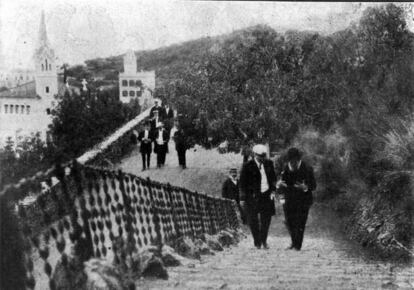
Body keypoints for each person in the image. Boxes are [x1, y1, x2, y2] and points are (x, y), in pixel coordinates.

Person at [276, 147, 316, 251]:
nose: (292, 163)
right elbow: (282, 183)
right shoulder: (286, 168)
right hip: (289, 200)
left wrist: (305, 187)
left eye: (294, 161)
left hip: (303, 200)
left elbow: (314, 185)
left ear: (298, 159)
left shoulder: (307, 168)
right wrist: (279, 186)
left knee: (300, 222)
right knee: (290, 222)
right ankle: (294, 242)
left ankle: (298, 245)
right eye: (290, 161)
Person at [240, 144, 277, 249]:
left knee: (266, 219)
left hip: (266, 195)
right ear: (255, 155)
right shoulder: (247, 166)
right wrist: (245, 197)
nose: (262, 158)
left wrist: (273, 191)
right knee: (253, 220)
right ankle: (257, 241)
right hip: (253, 197)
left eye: (264, 156)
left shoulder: (269, 164)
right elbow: (242, 183)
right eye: (260, 156)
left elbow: (273, 179)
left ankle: (264, 240)